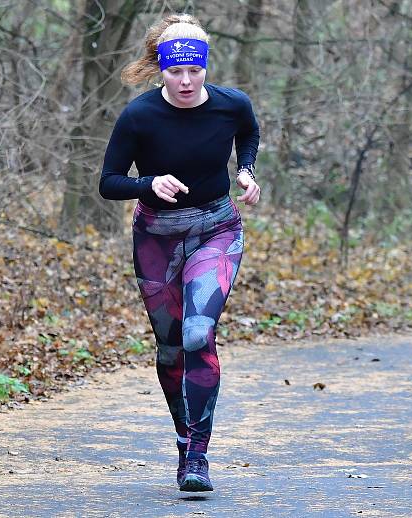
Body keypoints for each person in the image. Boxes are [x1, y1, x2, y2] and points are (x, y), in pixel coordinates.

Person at [98, 13, 260, 492]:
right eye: (176, 72)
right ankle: (184, 436)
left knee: (197, 332)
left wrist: (247, 171)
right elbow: (109, 182)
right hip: (157, 238)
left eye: (195, 71)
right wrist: (148, 183)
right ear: (161, 69)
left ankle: (197, 457)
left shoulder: (233, 105)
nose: (186, 82)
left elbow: (248, 135)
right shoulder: (140, 116)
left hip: (216, 230)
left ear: (206, 65)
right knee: (171, 348)